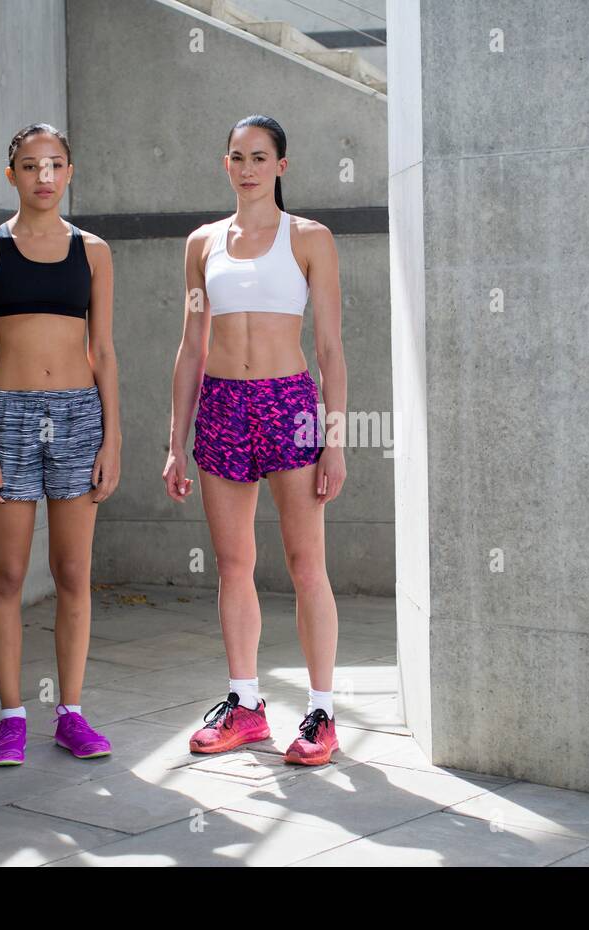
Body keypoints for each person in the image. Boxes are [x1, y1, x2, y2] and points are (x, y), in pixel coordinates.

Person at [163, 115, 348, 766]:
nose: (247, 167)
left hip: (288, 402)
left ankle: (321, 712)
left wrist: (336, 439)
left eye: (259, 156)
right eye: (237, 156)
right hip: (221, 404)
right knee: (233, 563)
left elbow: (329, 347)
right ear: (226, 164)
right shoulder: (202, 243)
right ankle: (245, 705)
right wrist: (173, 442)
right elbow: (190, 347)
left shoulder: (310, 239)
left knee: (305, 564)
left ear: (280, 167)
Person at [0, 122, 121, 766]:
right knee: (7, 574)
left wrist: (113, 437)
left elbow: (103, 350)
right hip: (9, 416)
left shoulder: (95, 251)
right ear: (12, 176)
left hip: (80, 415)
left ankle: (72, 713)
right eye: (30, 166)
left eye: (54, 165)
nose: (43, 177)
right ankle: (10, 717)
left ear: (70, 172)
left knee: (74, 572)